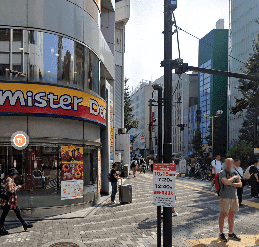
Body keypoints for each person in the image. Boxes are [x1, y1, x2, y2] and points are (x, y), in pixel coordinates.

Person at [0, 168, 33, 235]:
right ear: (13, 174)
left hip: (10, 200)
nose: (16, 175)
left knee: (15, 211)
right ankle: (1, 229)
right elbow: (10, 190)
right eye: (15, 174)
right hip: (9, 201)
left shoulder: (10, 179)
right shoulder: (9, 179)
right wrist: (18, 187)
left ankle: (24, 224)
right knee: (5, 214)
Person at [218, 158, 242, 242]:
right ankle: (221, 233)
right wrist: (234, 178)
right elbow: (225, 182)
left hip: (234, 197)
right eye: (227, 163)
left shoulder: (234, 172)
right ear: (225, 164)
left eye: (231, 163)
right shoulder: (222, 172)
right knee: (223, 214)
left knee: (232, 215)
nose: (229, 165)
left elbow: (240, 184)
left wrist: (231, 183)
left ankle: (231, 233)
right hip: (225, 197)